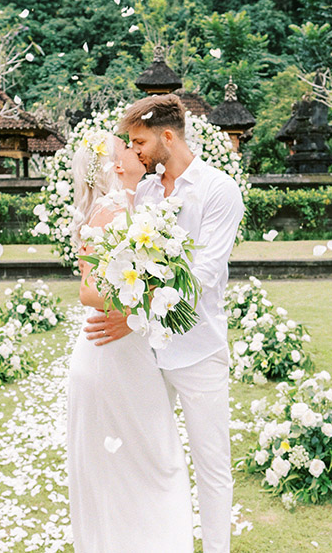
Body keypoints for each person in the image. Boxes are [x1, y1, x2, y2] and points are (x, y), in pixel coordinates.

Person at [85, 94, 245, 553]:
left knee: (211, 464)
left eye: (139, 141)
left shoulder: (218, 189)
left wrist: (131, 318)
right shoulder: (149, 190)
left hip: (198, 351)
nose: (133, 151)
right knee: (150, 459)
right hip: (145, 356)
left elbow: (202, 277)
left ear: (167, 136)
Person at [67, 129, 193, 552]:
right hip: (108, 348)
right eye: (131, 146)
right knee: (117, 459)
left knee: (154, 450)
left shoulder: (149, 208)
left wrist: (145, 303)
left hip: (137, 347)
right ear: (119, 164)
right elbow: (87, 290)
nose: (142, 149)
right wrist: (134, 305)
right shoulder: (108, 210)